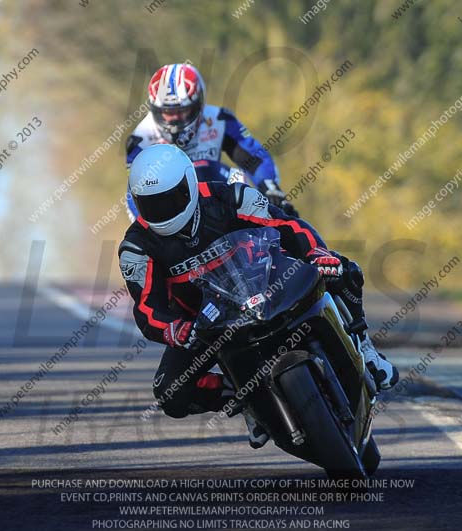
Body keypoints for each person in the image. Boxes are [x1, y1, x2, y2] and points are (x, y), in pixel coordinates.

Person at [118, 144, 398, 448]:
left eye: (170, 200)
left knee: (343, 269)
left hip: (269, 283)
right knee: (170, 393)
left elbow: (288, 225)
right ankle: (243, 396)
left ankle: (366, 348)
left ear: (189, 184)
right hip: (206, 324)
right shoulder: (136, 248)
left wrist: (317, 253)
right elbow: (147, 307)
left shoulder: (230, 196)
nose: (163, 211)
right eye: (152, 205)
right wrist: (173, 328)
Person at [125, 63, 297, 221]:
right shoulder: (141, 139)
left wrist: (270, 188)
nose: (176, 120)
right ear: (156, 110)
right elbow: (136, 193)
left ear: (198, 104)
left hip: (217, 199)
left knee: (280, 209)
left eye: (182, 111)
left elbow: (253, 157)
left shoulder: (220, 119)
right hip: (172, 212)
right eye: (169, 113)